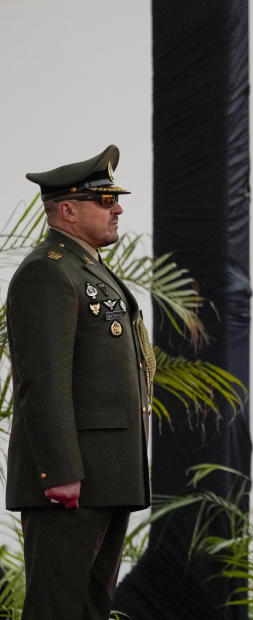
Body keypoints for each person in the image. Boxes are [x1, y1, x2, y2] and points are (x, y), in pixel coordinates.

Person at [7, 145, 153, 618]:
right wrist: (61, 471)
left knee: (90, 606)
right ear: (67, 210)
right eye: (104, 200)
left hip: (105, 474)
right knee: (57, 608)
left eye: (114, 199)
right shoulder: (47, 273)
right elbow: (42, 381)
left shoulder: (84, 266)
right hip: (73, 479)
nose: (118, 209)